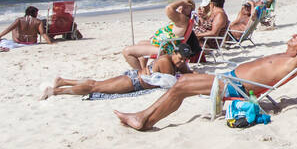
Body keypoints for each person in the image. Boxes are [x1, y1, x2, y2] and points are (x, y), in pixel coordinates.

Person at [115, 28, 297, 130]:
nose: (294, 36)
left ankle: (143, 119)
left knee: (181, 85)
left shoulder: (292, 61)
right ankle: (143, 117)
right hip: (229, 79)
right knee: (182, 84)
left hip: (234, 86)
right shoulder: (287, 56)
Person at [44, 42, 192, 98]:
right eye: (180, 58)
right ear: (174, 53)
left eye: (184, 59)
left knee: (97, 84)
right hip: (133, 82)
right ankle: (54, 91)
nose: (181, 61)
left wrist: (188, 71)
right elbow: (170, 82)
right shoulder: (165, 61)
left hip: (134, 79)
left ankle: (63, 81)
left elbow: (188, 73)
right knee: (95, 87)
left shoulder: (177, 62)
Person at [121, 0, 199, 70]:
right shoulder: (181, 19)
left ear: (191, 10)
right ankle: (144, 69)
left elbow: (169, 8)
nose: (182, 7)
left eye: (186, 7)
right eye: (181, 6)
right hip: (164, 45)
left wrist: (182, 2)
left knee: (127, 51)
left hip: (164, 49)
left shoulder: (182, 19)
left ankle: (140, 73)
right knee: (140, 43)